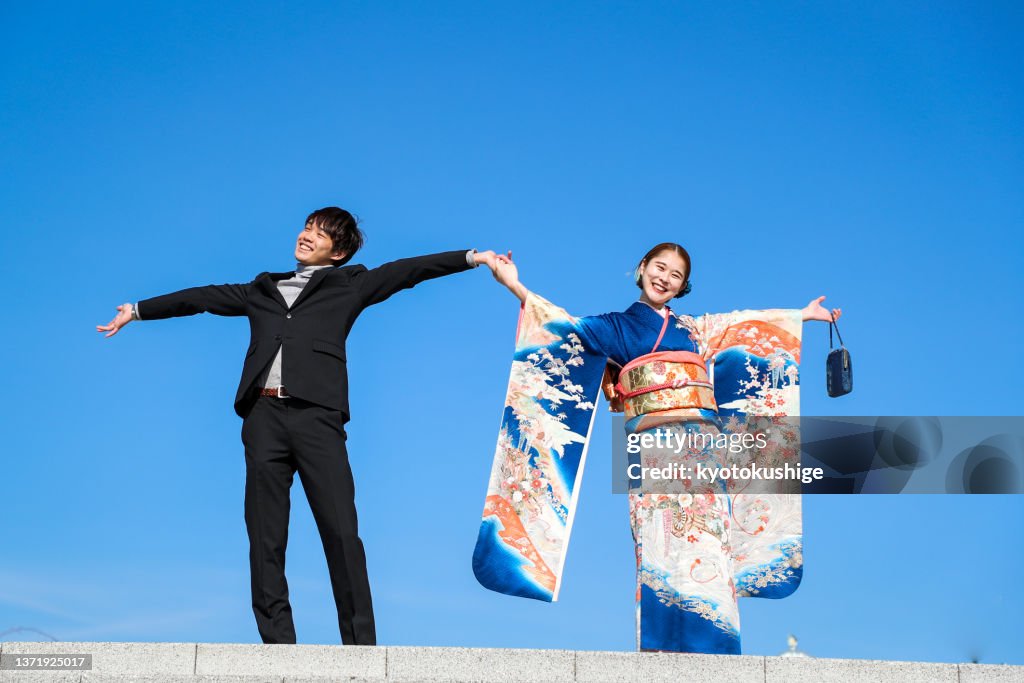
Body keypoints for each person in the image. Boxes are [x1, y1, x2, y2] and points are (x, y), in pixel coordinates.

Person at [97, 206, 499, 646]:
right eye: (307, 227)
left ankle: (361, 647)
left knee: (341, 530)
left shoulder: (351, 284)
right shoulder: (261, 289)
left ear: (338, 252)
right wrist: (137, 310)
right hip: (263, 419)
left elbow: (408, 271)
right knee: (265, 536)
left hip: (318, 418)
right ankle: (279, 646)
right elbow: (201, 299)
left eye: (320, 233)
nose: (307, 236)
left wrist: (472, 257)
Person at [473, 243, 841, 654]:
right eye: (659, 268)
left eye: (676, 275)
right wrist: (514, 285)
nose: (664, 278)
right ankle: (663, 650)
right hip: (653, 449)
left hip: (703, 451)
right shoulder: (617, 326)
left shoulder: (694, 330)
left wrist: (802, 316)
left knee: (710, 544)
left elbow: (743, 325)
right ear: (642, 268)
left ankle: (716, 643)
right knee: (661, 544)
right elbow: (562, 325)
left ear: (683, 286)